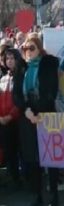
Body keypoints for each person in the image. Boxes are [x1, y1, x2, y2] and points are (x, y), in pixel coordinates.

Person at [12, 33, 60, 206]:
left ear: (39, 49)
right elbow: (16, 93)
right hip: (28, 116)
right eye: (25, 48)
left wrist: (39, 111)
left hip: (45, 113)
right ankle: (36, 194)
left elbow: (51, 90)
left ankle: (54, 193)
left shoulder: (47, 65)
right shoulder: (21, 68)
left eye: (32, 48)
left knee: (51, 156)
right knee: (32, 158)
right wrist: (27, 110)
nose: (28, 51)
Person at [0, 48, 25, 189]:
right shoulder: (3, 78)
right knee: (9, 152)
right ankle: (14, 178)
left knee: (21, 150)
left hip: (17, 121)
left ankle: (25, 178)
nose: (9, 61)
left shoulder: (21, 75)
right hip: (4, 122)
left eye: (12, 58)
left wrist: (10, 116)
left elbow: (20, 100)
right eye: (6, 58)